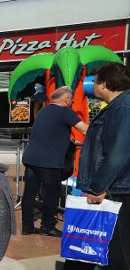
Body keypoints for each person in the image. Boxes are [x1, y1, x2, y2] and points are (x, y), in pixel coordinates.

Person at [37, 62, 130, 270]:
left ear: (106, 84)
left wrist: (99, 186)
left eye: (96, 81)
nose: (93, 85)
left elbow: (119, 154)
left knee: (121, 245)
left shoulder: (123, 108)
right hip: (115, 184)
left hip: (116, 187)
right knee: (90, 233)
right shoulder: (118, 106)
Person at [21, 87, 88, 237]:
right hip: (48, 161)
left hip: (31, 158)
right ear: (65, 100)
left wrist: (69, 140)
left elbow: (50, 133)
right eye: (71, 99)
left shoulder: (44, 111)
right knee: (53, 193)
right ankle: (47, 226)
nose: (73, 101)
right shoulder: (65, 111)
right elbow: (84, 129)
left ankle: (27, 226)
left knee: (30, 193)